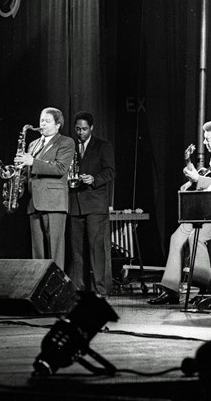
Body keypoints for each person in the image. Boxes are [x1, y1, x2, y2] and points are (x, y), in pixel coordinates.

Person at [148, 119, 211, 305]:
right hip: (210, 211)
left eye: (208, 138)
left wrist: (198, 179)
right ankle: (170, 290)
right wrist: (191, 170)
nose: (204, 142)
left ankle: (205, 287)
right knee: (177, 237)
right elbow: (207, 177)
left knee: (196, 237)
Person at [15, 107, 75, 270]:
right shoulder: (33, 144)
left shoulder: (66, 142)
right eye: (41, 120)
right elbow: (29, 171)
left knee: (54, 253)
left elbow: (60, 168)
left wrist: (32, 162)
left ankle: (56, 292)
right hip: (34, 203)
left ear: (58, 125)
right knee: (38, 254)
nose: (42, 124)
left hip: (54, 203)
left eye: (47, 121)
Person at [66, 111, 116, 296]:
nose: (80, 132)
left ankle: (99, 289)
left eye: (84, 129)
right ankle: (78, 288)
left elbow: (111, 171)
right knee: (76, 250)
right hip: (75, 204)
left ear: (92, 128)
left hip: (94, 204)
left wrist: (93, 179)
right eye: (78, 129)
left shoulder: (103, 146)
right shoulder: (70, 146)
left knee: (96, 249)